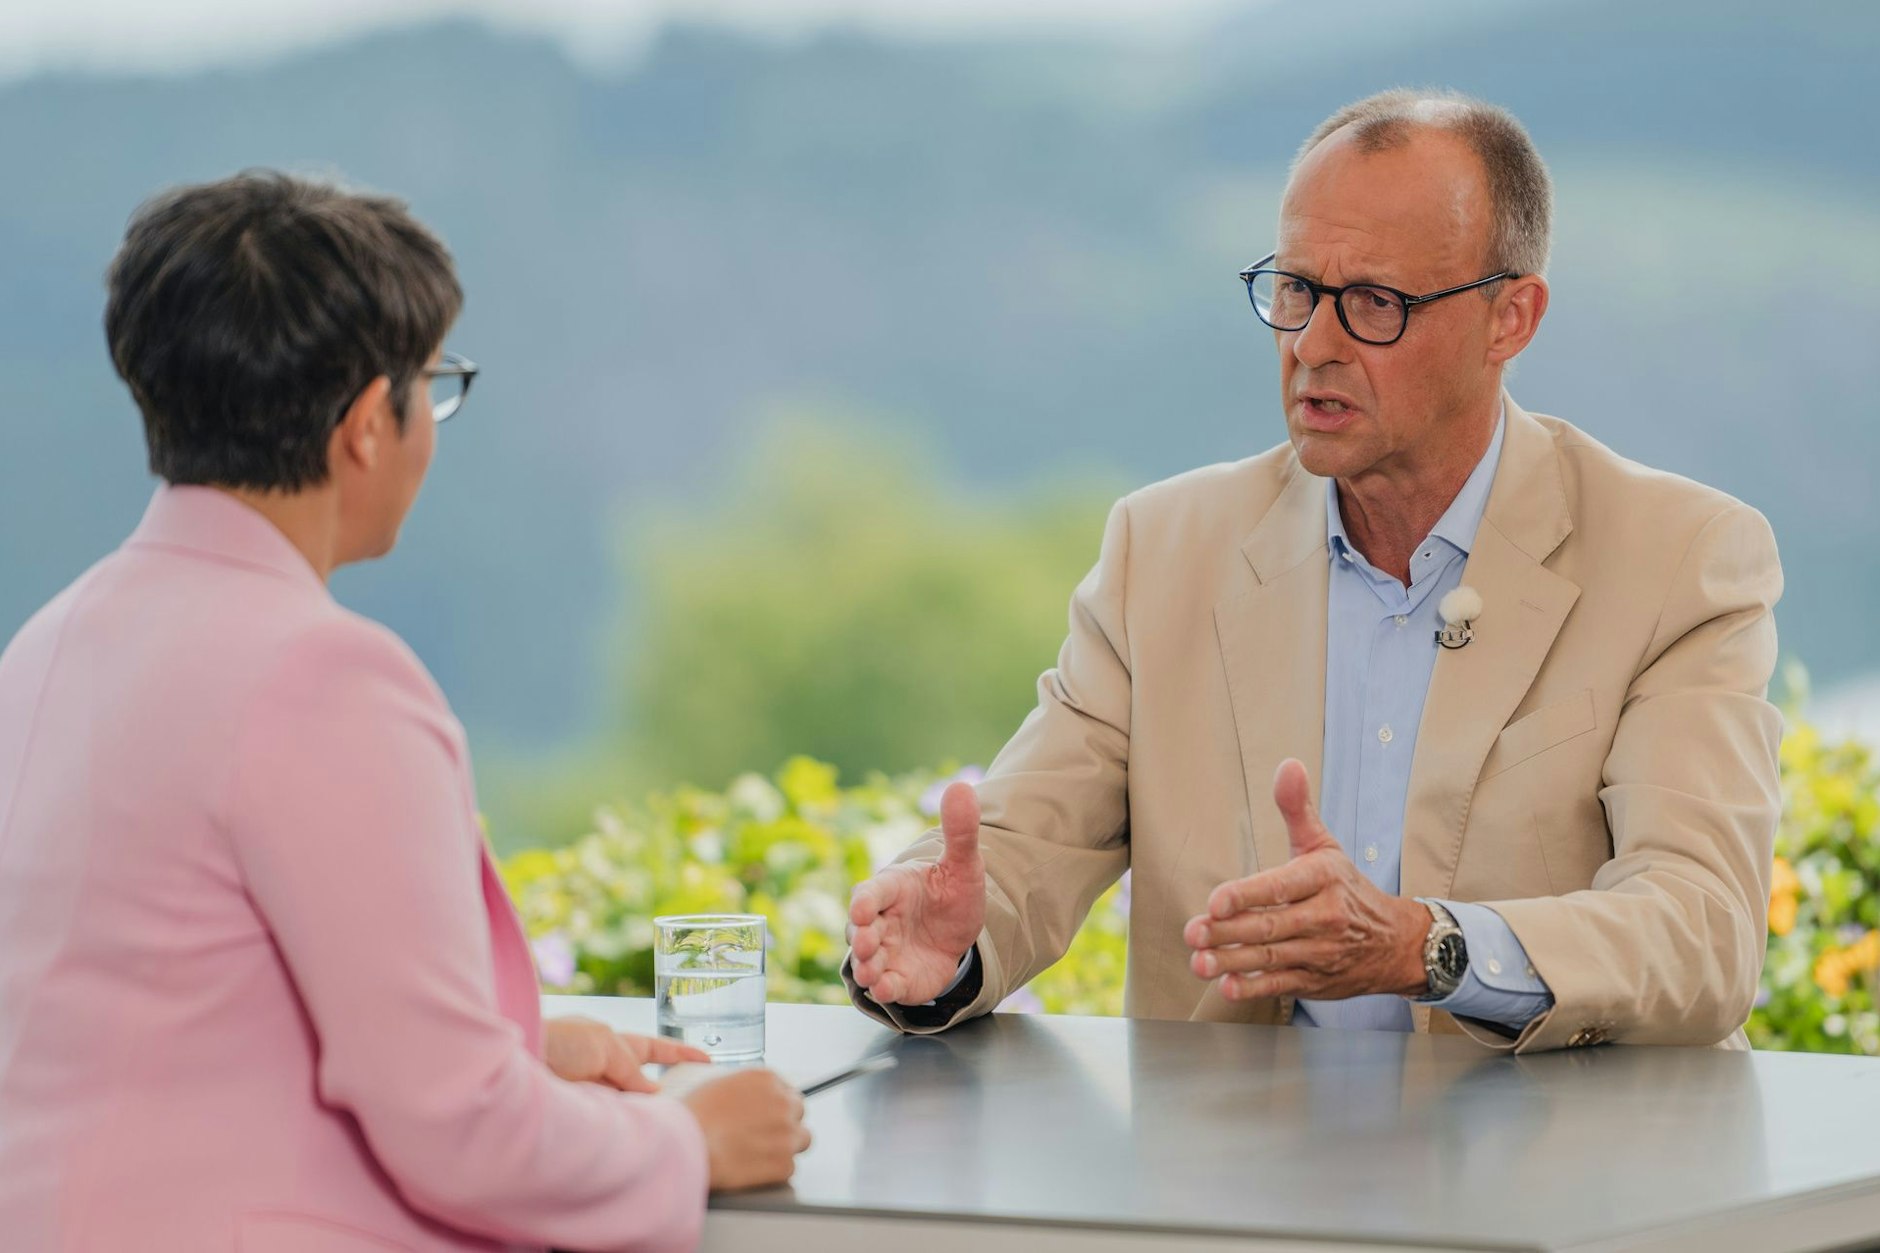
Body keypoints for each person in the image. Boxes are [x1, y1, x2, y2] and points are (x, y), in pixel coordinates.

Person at [845, 89, 1783, 1054]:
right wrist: (948, 940)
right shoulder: (1162, 550)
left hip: (1553, 1180)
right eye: (1295, 290)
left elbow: (1702, 930)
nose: (1312, 345)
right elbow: (1018, 848)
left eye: (1375, 302)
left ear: (1512, 318)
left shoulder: (1679, 556)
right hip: (1237, 1180)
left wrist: (1429, 948)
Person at [0, 172, 808, 1252]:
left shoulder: (53, 640)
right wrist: (692, 1143)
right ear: (367, 425)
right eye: (431, 384)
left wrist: (515, 1044)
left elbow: (179, 1021)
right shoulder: (320, 678)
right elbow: (457, 1131)